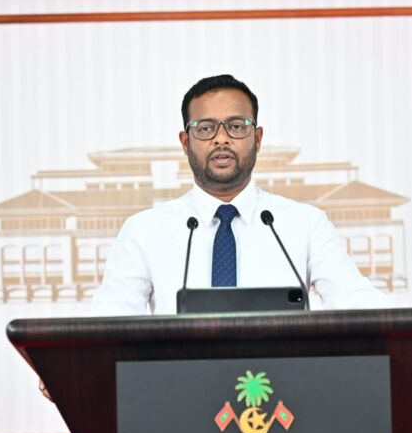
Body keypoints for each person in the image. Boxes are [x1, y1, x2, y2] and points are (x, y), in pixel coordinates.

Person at [89, 74, 386, 316]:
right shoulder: (144, 231)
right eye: (205, 128)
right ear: (185, 142)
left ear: (257, 139)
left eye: (236, 126)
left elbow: (357, 304)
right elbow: (110, 321)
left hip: (280, 374)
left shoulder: (305, 224)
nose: (221, 138)